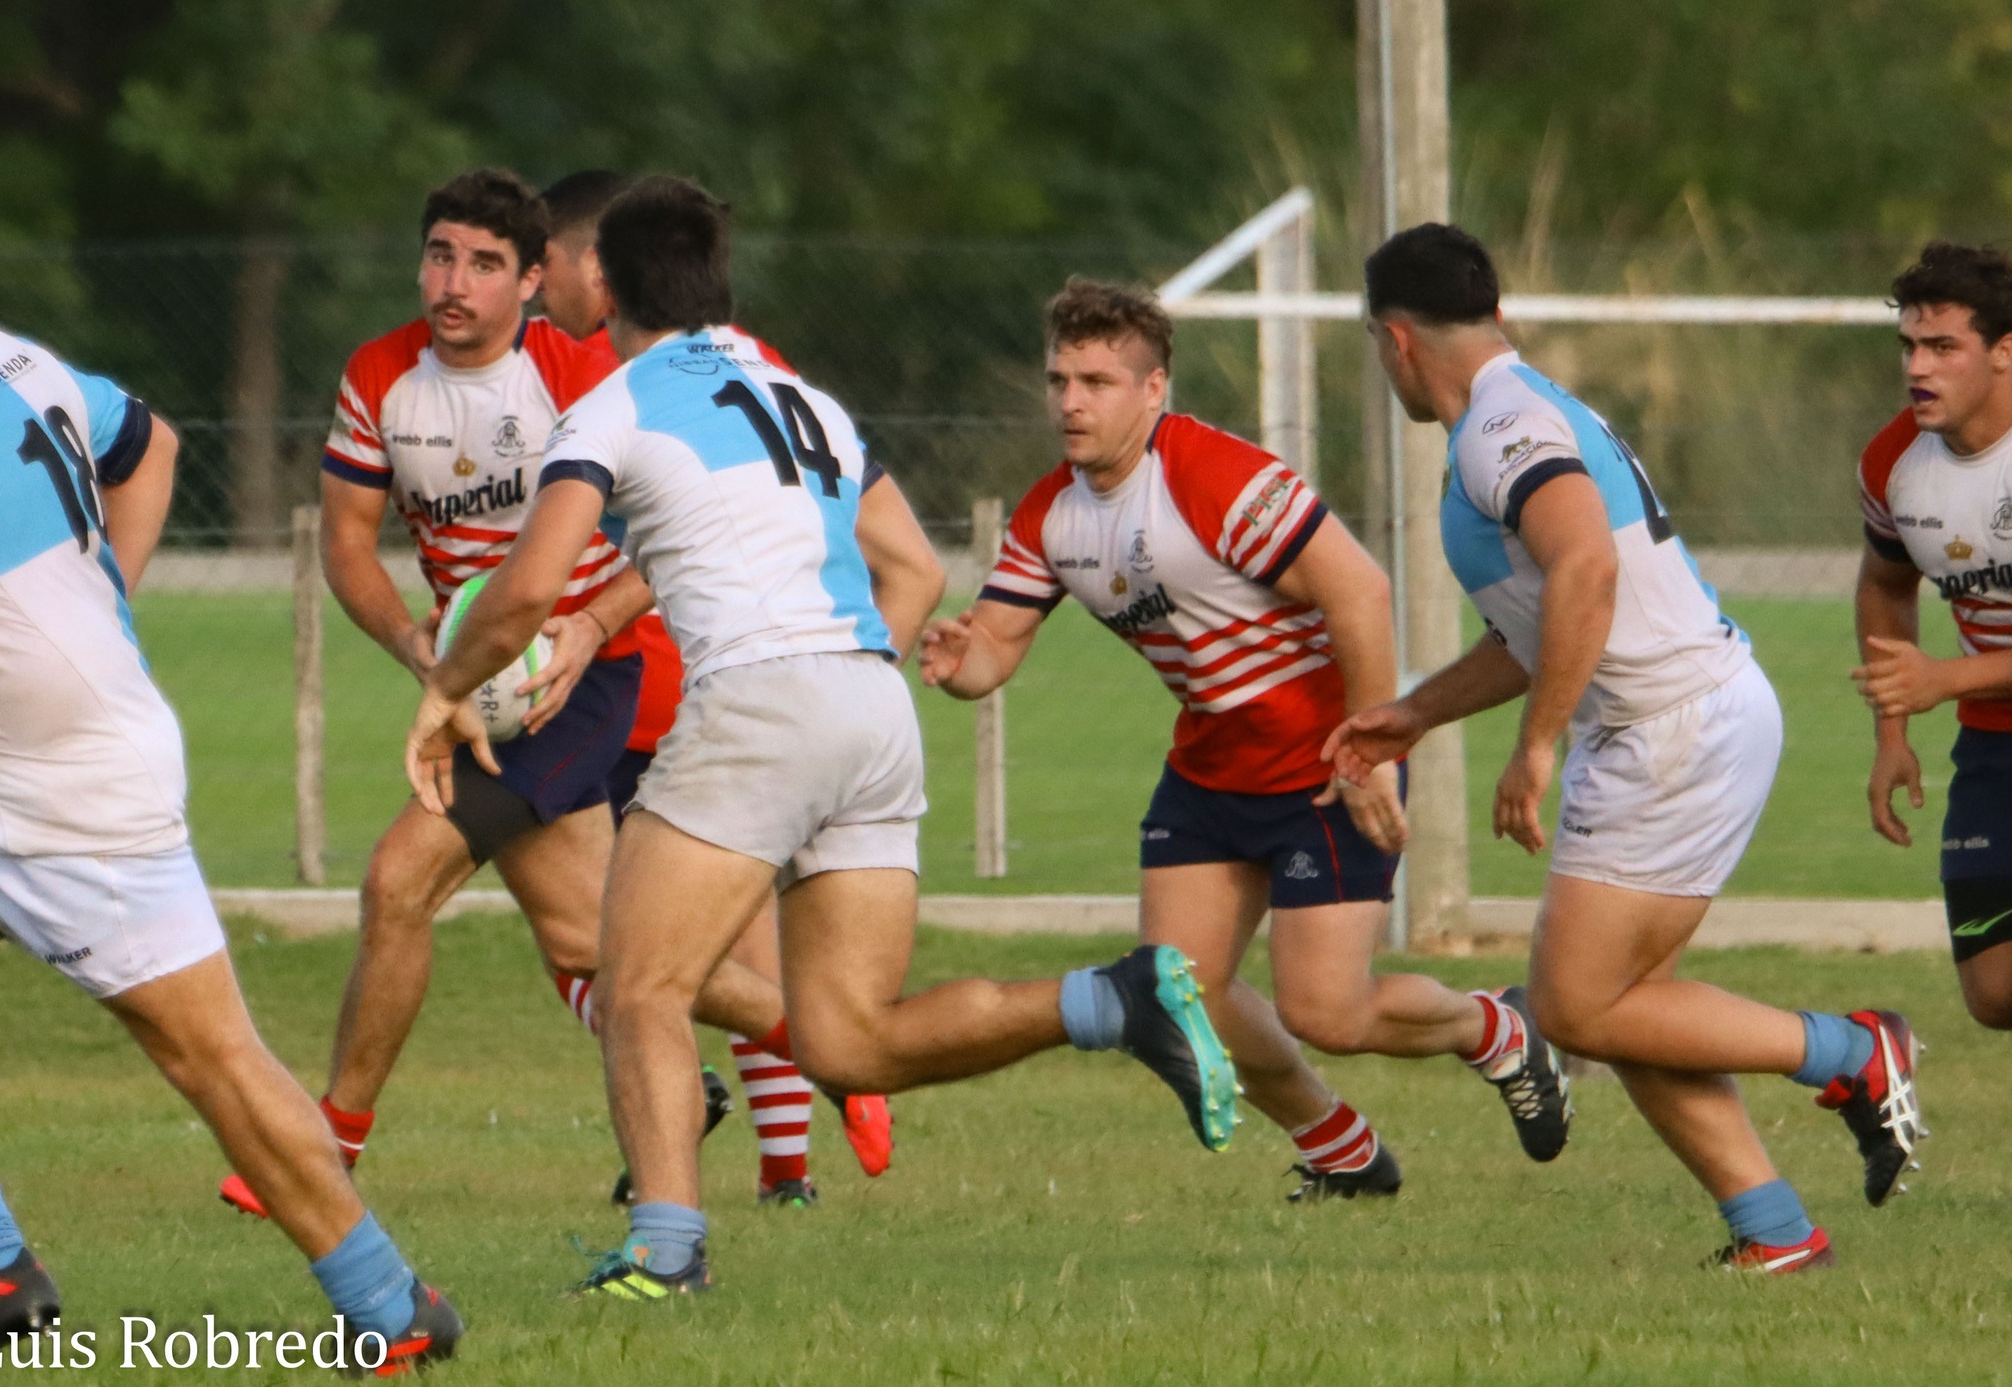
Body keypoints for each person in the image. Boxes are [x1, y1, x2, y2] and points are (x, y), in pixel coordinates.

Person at [406, 175, 1239, 1298]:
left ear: (607, 281)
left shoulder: (610, 404)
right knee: (848, 1042)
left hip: (760, 701)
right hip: (869, 708)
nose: (548, 271)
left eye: (562, 260)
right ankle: (1112, 999)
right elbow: (914, 570)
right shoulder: (806, 397)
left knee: (641, 982)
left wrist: (444, 691)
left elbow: (517, 597)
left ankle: (663, 1253)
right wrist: (835, 685)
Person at [1327, 223, 1922, 1272]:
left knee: (1574, 1003)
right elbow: (1538, 624)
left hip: (1669, 726)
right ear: (1494, 312)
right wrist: (1416, 712)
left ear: (1393, 339)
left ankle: (1850, 1051)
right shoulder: (1518, 409)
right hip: (1682, 713)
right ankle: (1774, 1233)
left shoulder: (1498, 430)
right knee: (1629, 1005)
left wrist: (1535, 747)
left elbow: (1584, 574)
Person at [219, 167, 798, 1218]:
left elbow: (679, 530)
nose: (455, 282)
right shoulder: (379, 377)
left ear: (533, 281)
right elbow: (349, 543)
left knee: (399, 879)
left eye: (485, 264)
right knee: (598, 947)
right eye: (440, 254)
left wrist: (583, 625)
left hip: (574, 684)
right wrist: (417, 648)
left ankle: (326, 1144)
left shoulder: (583, 375)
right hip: (481, 683)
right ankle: (839, 1043)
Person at [920, 278, 1571, 1201]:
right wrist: (961, 654)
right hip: (1212, 772)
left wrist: (1371, 750)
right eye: (1060, 379)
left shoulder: (1218, 478)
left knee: (1328, 1011)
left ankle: (1497, 1031)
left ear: (1154, 390)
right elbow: (995, 649)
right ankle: (1343, 1152)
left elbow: (1361, 591)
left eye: (1099, 381)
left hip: (1325, 762)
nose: (1071, 401)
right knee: (1179, 991)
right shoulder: (1051, 516)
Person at [0, 313, 458, 1368]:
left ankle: (392, 1307)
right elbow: (150, 447)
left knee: (211, 1055)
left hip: (60, 787)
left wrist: (79, 652)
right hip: (19, 759)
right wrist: (102, 626)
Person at [540, 170, 892, 1205]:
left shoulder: (662, 375)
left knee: (646, 958)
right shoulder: (538, 365)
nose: (530, 286)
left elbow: (714, 514)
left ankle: (743, 1182)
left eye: (541, 263)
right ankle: (711, 1131)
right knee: (599, 942)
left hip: (686, 691)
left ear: (591, 271)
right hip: (686, 690)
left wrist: (539, 637)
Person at [1852, 243, 2012, 1028]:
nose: (1919, 366)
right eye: (1910, 346)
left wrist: (1945, 679)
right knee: (1994, 992)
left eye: (1944, 347)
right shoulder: (1893, 462)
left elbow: (1939, 671)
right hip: (1994, 744)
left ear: (2004, 352)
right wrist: (1893, 731)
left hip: (1973, 697)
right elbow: (1884, 585)